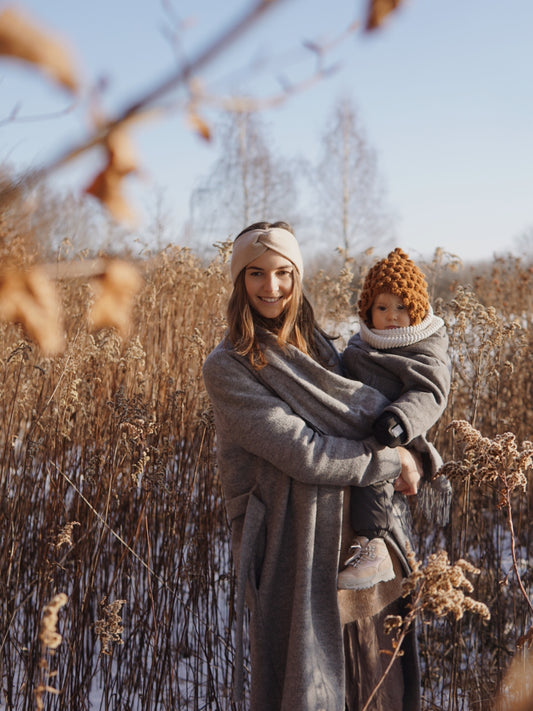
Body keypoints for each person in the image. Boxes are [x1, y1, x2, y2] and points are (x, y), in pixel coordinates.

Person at [202, 222, 424, 711]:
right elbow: (305, 452)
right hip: (292, 548)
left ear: (297, 276)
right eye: (256, 273)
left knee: (375, 681)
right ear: (239, 281)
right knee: (307, 686)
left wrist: (414, 447)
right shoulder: (229, 365)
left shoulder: (325, 348)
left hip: (359, 542)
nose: (271, 286)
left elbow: (382, 408)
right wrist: (392, 459)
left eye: (283, 272)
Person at [337, 248, 451, 591]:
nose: (392, 316)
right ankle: (365, 542)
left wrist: (398, 421)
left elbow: (430, 393)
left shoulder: (423, 346)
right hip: (362, 428)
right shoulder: (361, 346)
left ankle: (375, 547)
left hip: (398, 432)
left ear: (414, 309)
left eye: (401, 307)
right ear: (368, 311)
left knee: (376, 469)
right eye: (382, 308)